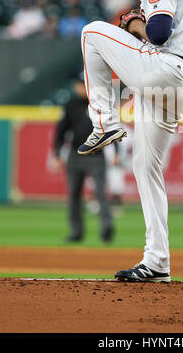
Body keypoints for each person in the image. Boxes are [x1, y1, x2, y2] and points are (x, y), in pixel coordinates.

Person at [78, 0, 183, 282]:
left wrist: (136, 25)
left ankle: (104, 123)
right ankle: (157, 262)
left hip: (164, 71)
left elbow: (159, 31)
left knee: (91, 32)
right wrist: (144, 27)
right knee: (145, 169)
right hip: (180, 85)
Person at [53, 72, 114, 243]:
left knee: (101, 192)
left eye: (83, 84)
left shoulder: (99, 104)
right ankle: (76, 232)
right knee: (73, 195)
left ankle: (106, 229)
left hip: (96, 155)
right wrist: (57, 153)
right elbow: (61, 130)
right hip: (75, 154)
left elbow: (111, 128)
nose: (80, 87)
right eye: (79, 84)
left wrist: (115, 152)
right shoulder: (70, 105)